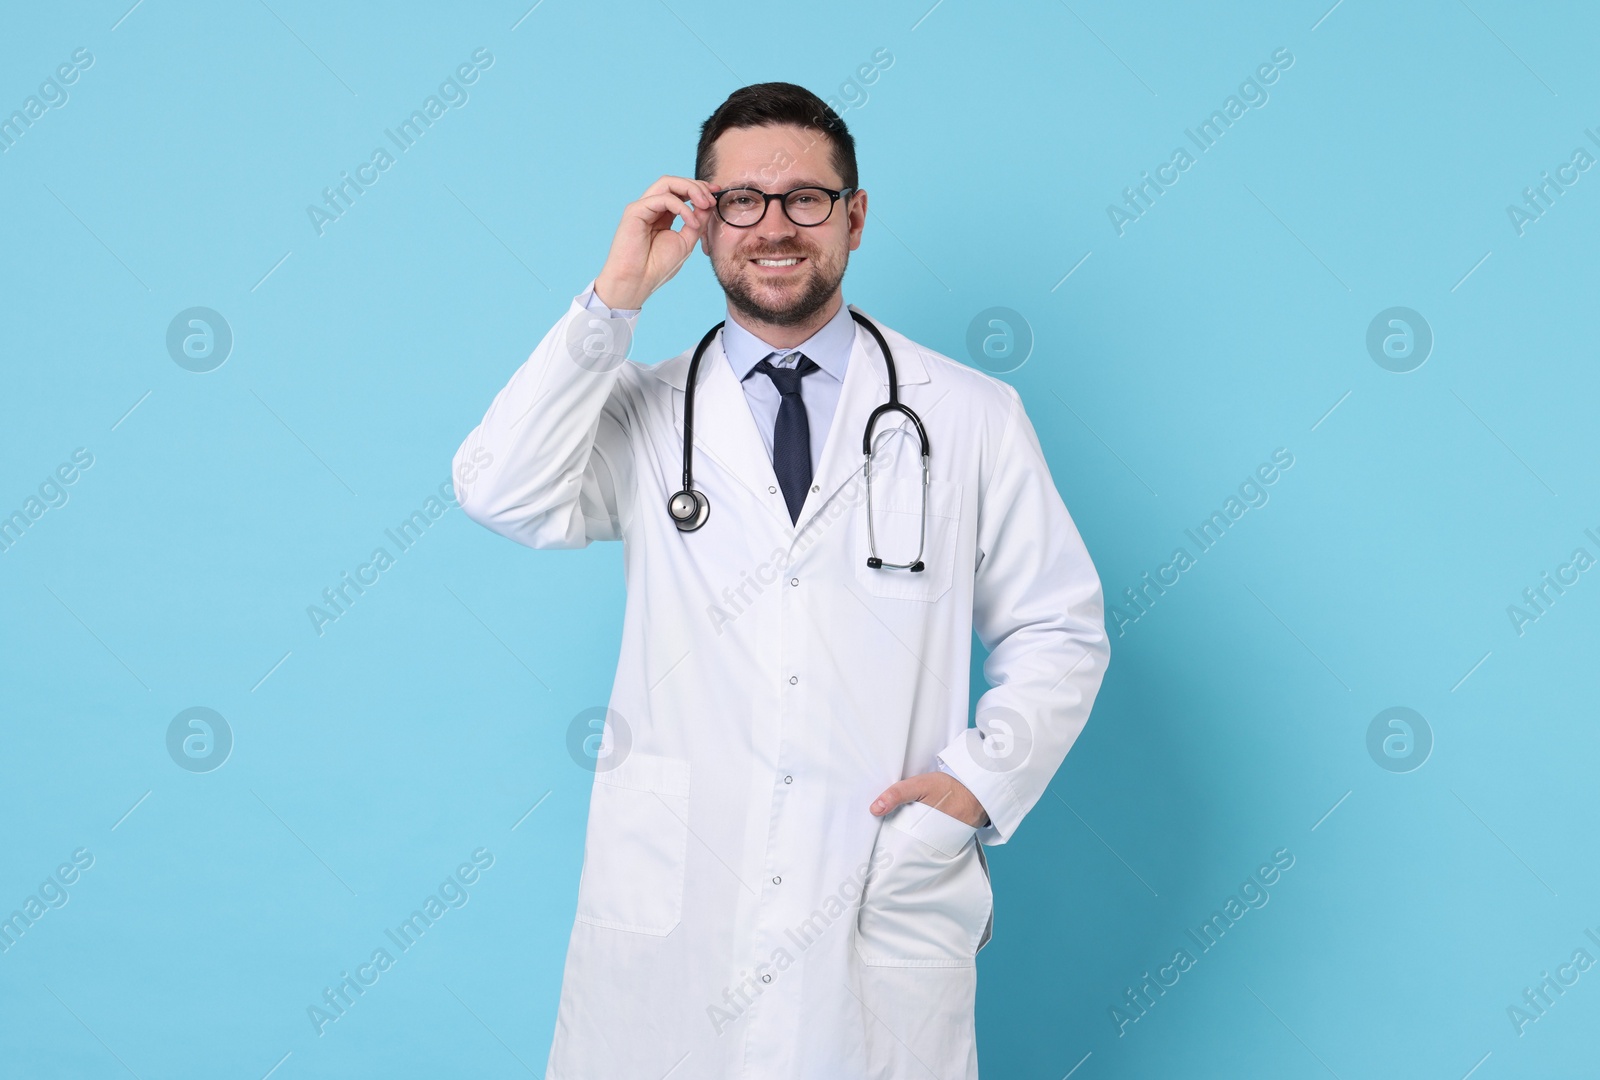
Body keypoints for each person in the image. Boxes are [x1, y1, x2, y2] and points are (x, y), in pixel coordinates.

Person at [452, 81, 1108, 1080]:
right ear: (700, 220)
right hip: (677, 903)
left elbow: (1059, 627)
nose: (774, 226)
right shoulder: (640, 413)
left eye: (805, 199)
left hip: (878, 884)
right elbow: (499, 489)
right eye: (741, 202)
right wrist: (613, 297)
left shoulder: (968, 416)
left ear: (853, 216)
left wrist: (976, 788)